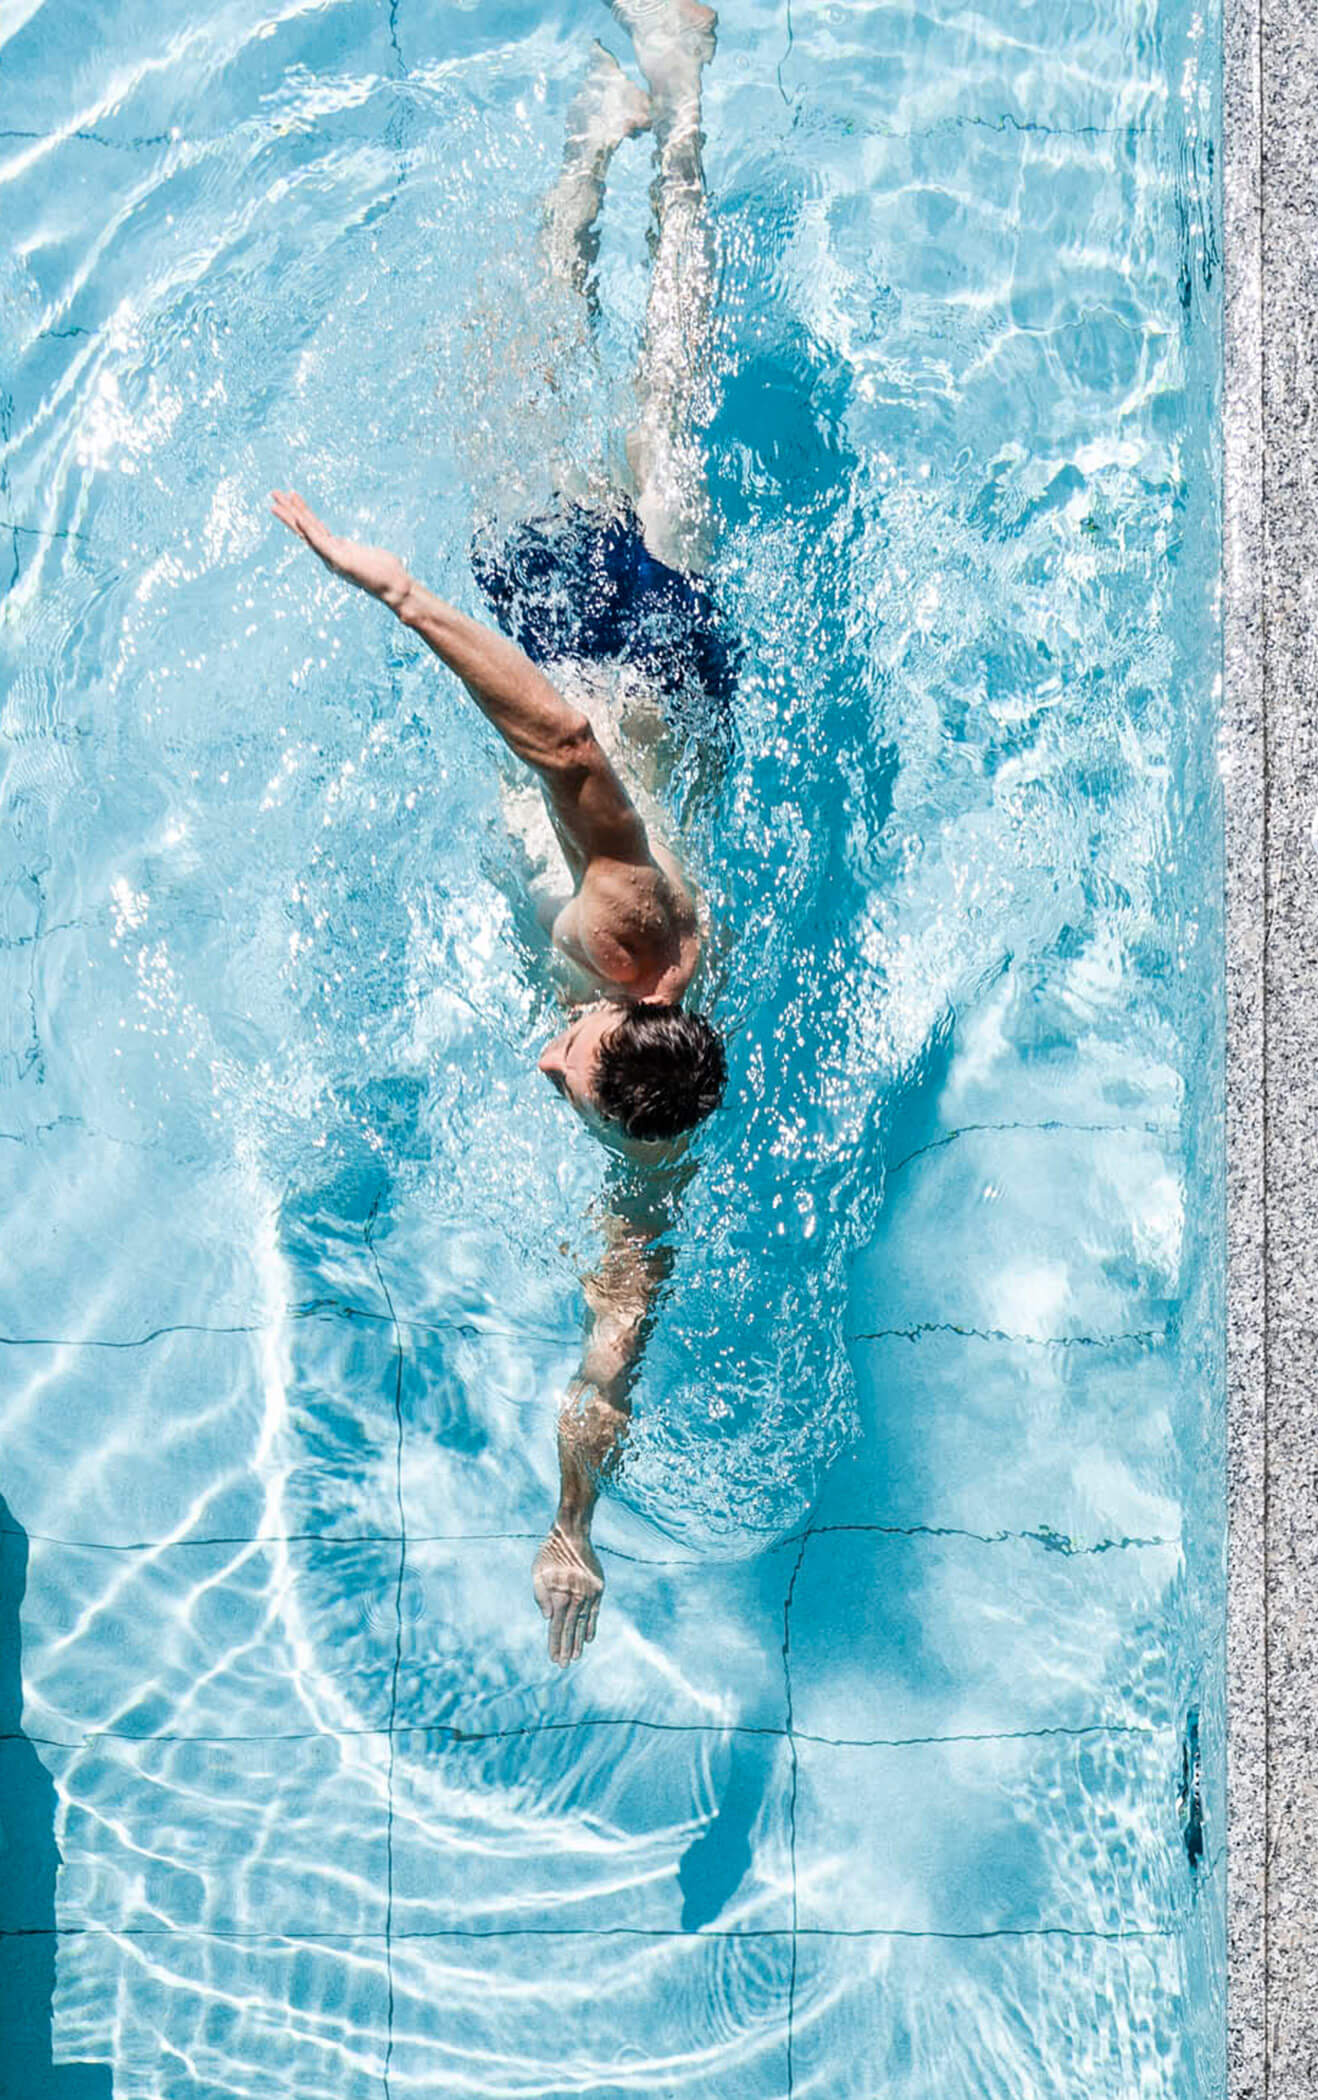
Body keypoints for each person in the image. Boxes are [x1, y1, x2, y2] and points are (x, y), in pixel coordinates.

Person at [270, 0, 729, 1668]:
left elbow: (614, 1351)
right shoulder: (627, 928)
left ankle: (644, 140)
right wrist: (394, 592)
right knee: (552, 364)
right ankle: (648, 129)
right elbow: (553, 740)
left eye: (576, 1071)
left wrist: (566, 1532)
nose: (555, 1063)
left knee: (667, 422)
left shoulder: (652, 1141)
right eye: (582, 1050)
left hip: (681, 688)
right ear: (633, 1012)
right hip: (604, 654)